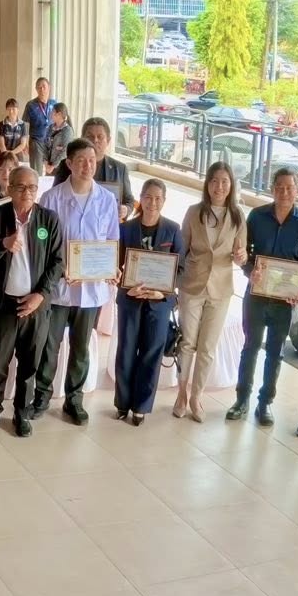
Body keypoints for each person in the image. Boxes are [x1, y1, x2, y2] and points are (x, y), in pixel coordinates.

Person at [34, 139, 117, 425]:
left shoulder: (107, 199)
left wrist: (110, 268)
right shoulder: (51, 198)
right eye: (81, 160)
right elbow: (41, 237)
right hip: (58, 287)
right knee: (50, 345)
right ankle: (41, 396)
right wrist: (61, 266)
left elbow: (111, 240)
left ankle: (74, 399)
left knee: (81, 347)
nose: (87, 166)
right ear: (69, 163)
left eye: (92, 160)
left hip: (92, 290)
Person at [0, 166, 61, 436]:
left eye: (32, 187)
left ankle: (22, 413)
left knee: (29, 364)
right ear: (9, 188)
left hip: (35, 306)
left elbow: (58, 262)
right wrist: (4, 244)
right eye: (21, 187)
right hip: (5, 305)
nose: (27, 192)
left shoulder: (49, 219)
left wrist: (41, 295)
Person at [229, 167, 298, 426]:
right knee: (250, 347)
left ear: (297, 191)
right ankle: (241, 400)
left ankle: (265, 402)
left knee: (275, 352)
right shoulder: (257, 216)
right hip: (256, 295)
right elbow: (244, 252)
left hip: (284, 301)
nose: (284, 192)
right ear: (272, 189)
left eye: (289, 188)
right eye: (279, 187)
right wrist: (249, 271)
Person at [170, 162, 245, 421]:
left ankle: (196, 397)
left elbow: (242, 254)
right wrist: (174, 285)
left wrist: (242, 257)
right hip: (192, 285)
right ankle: (181, 394)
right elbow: (182, 250)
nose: (219, 186)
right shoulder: (194, 212)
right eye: (214, 180)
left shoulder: (237, 216)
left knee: (207, 347)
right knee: (187, 343)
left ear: (231, 185)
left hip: (221, 288)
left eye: (224, 181)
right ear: (207, 184)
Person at [114, 179, 183, 425]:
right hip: (130, 299)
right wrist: (125, 286)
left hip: (158, 303)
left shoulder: (173, 229)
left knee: (151, 353)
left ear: (164, 201)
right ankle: (122, 403)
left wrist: (163, 294)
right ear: (140, 199)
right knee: (126, 351)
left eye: (158, 198)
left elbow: (181, 269)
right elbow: (115, 266)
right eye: (148, 197)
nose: (152, 202)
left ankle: (141, 406)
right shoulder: (126, 228)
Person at [52, 117, 134, 216]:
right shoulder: (67, 165)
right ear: (82, 139)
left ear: (108, 140)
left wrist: (126, 209)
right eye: (90, 136)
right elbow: (55, 195)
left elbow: (129, 200)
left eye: (100, 137)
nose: (95, 140)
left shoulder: (120, 169)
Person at [22, 77, 57, 173]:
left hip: (51, 142)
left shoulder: (54, 104)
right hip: (36, 141)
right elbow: (25, 124)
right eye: (39, 87)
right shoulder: (31, 105)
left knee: (52, 171)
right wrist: (25, 142)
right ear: (36, 89)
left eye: (44, 87)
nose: (42, 89)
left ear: (49, 87)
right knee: (36, 171)